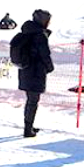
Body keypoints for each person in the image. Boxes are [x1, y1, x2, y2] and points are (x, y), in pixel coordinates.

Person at [16, 9, 54, 138]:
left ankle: (29, 126)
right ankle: (28, 129)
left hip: (25, 70)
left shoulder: (27, 31)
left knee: (30, 100)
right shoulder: (39, 34)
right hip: (36, 71)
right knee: (33, 101)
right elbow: (45, 54)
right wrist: (50, 67)